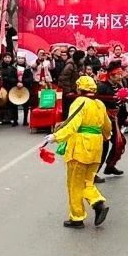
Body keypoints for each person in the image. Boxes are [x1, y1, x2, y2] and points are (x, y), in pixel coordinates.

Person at [46, 75, 110, 228]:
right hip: (96, 146)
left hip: (81, 146)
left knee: (75, 183)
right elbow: (107, 126)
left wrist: (56, 136)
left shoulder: (80, 101)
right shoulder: (99, 104)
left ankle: (77, 217)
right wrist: (106, 136)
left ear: (80, 88)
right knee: (87, 181)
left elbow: (72, 124)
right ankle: (97, 203)